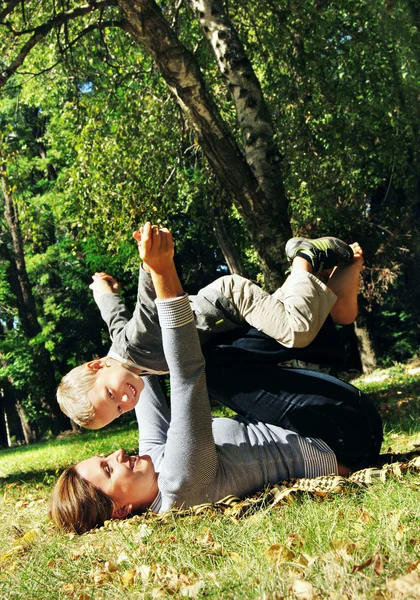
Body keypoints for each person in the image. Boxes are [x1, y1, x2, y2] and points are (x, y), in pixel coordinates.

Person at [49, 226, 382, 534]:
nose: (118, 454)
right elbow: (186, 373)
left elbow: (133, 362)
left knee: (212, 350)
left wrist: (105, 299)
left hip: (322, 419)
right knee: (211, 365)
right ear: (120, 510)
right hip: (345, 438)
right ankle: (306, 272)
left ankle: (331, 298)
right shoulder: (179, 485)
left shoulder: (152, 459)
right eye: (109, 470)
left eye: (104, 458)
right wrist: (163, 272)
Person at [57, 222, 364, 429]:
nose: (127, 400)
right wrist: (104, 294)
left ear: (98, 366)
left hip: (229, 303)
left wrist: (150, 261)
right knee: (343, 315)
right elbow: (116, 321)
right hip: (226, 323)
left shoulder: (135, 345)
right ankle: (349, 264)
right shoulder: (126, 361)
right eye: (121, 410)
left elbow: (149, 305)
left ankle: (305, 255)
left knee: (296, 330)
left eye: (112, 396)